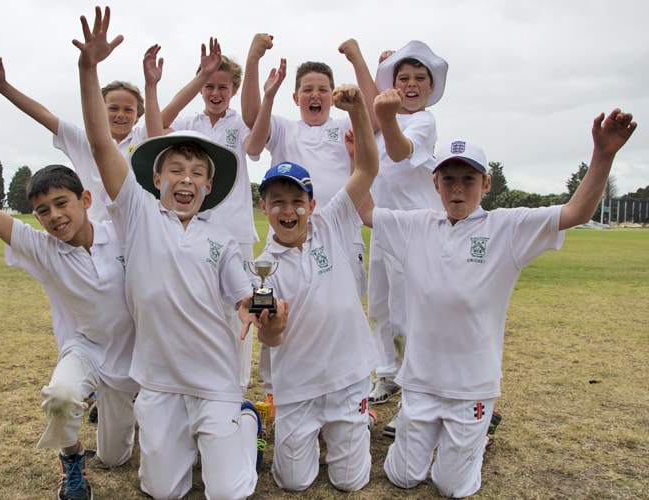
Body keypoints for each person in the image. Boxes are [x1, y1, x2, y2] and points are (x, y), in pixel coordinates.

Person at [358, 109, 637, 497]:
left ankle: (479, 433)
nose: (458, 189)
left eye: (468, 179)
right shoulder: (415, 225)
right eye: (449, 179)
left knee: (452, 487)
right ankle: (438, 437)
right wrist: (358, 145)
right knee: (403, 477)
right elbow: (366, 210)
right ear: (435, 182)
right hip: (420, 382)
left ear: (486, 183)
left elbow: (576, 213)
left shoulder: (507, 227)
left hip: (472, 386)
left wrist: (603, 156)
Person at [73, 7, 288, 499]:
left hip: (215, 383)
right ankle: (193, 444)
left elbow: (245, 295)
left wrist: (266, 316)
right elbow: (102, 143)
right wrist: (89, 69)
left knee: (227, 493)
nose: (186, 178)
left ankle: (241, 420)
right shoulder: (139, 214)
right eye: (175, 168)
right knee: (162, 492)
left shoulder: (221, 238)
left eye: (197, 171)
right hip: (160, 386)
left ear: (210, 186)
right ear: (155, 179)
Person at [0, 89, 141, 500]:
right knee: (60, 399)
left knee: (115, 458)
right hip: (86, 348)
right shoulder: (42, 249)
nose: (55, 216)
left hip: (134, 356)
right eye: (43, 211)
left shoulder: (121, 231)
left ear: (85, 199)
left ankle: (121, 419)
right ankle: (72, 460)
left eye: (62, 203)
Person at [253, 82, 379, 492]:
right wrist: (271, 329)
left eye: (296, 201)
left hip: (347, 377)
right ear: (264, 207)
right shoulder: (260, 268)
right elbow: (269, 337)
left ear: (311, 203)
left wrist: (360, 110)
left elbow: (368, 169)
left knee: (350, 483)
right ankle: (256, 417)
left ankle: (356, 419)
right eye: (277, 201)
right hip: (297, 386)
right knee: (294, 483)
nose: (287, 210)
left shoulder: (334, 224)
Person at [156, 40, 259, 394]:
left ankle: (237, 390)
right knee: (195, 305)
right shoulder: (189, 121)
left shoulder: (242, 122)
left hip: (237, 230)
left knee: (241, 308)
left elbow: (258, 141)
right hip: (192, 229)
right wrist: (199, 74)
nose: (216, 93)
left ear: (234, 90)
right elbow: (160, 122)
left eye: (223, 86)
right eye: (209, 85)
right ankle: (195, 382)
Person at [364, 41, 448, 428]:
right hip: (383, 224)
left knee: (412, 313)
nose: (411, 85)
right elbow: (374, 124)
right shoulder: (381, 127)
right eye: (403, 79)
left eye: (419, 79)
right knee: (381, 307)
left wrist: (387, 109)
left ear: (430, 88)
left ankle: (417, 398)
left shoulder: (422, 121)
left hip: (416, 228)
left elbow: (400, 153)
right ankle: (389, 374)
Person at [0, 55, 147, 222]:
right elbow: (44, 115)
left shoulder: (144, 138)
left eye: (128, 110)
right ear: (99, 110)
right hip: (96, 235)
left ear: (138, 115)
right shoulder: (82, 140)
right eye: (113, 108)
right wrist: (3, 87)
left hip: (137, 231)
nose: (120, 115)